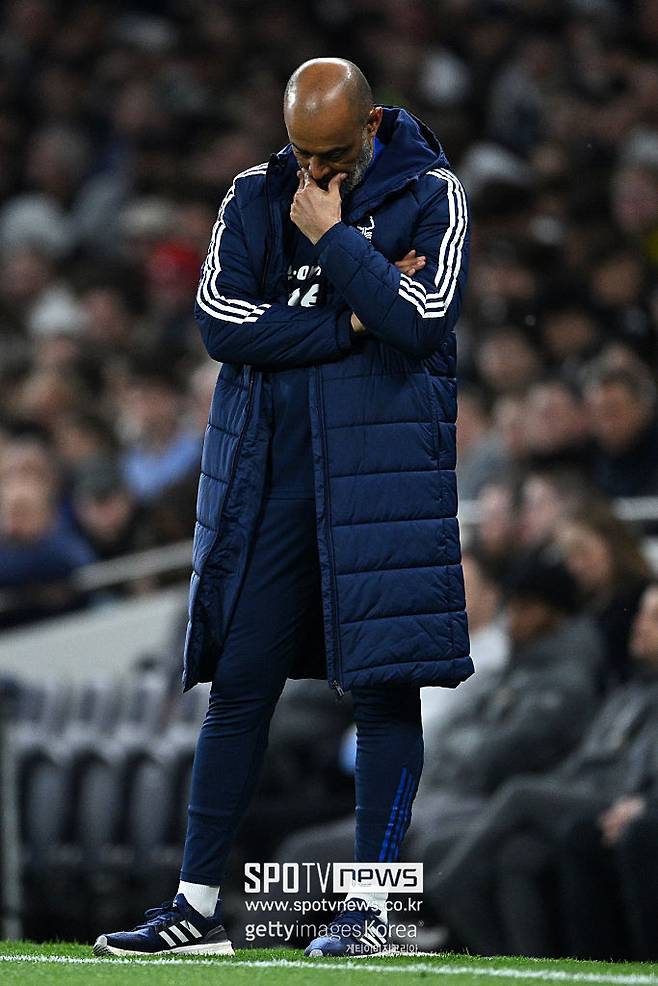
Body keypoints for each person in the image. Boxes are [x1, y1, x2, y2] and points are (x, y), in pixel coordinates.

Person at [94, 57, 473, 959]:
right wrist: (352, 316)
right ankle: (195, 910)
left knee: (385, 692)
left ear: (372, 124)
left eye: (332, 154)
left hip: (381, 490)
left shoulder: (434, 194)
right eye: (302, 153)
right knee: (239, 691)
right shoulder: (254, 193)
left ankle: (375, 914)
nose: (314, 172)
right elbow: (223, 325)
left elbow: (422, 320)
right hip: (269, 480)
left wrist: (332, 240)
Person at [424, 582, 658, 959]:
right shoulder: (628, 690)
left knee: (521, 793)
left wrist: (643, 803)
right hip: (581, 792)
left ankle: (443, 889)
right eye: (642, 615)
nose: (640, 625)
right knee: (518, 855)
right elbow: (583, 759)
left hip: (616, 800)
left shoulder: (620, 691)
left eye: (654, 618)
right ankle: (521, 964)